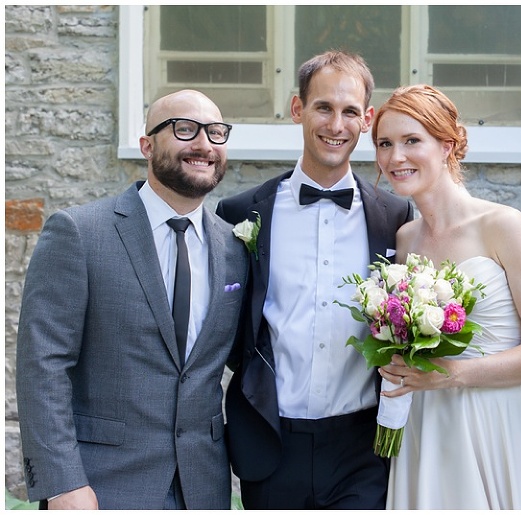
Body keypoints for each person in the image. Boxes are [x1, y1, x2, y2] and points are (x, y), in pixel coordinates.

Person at [15, 89, 248, 509]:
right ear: (147, 145)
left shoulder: (234, 249)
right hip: (100, 486)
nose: (203, 145)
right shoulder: (80, 233)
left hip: (203, 487)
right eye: (184, 129)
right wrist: (62, 483)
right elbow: (43, 365)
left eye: (215, 133)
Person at [371, 84, 521, 509]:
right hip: (427, 426)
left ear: (447, 144)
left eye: (412, 140)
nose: (396, 157)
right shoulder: (406, 238)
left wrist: (452, 374)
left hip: (499, 423)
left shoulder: (502, 225)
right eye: (384, 143)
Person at [215, 50, 414, 509]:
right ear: (297, 109)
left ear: (366, 120)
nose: (336, 125)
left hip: (361, 446)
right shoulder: (241, 213)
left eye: (349, 112)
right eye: (323, 107)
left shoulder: (395, 217)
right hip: (269, 439)